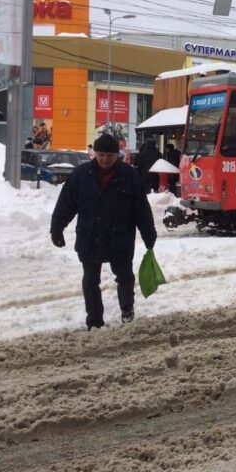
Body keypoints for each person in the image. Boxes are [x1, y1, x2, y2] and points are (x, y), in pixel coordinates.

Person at [50, 133, 157, 331]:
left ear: (117, 155)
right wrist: (57, 227)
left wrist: (148, 233)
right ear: (94, 154)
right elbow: (66, 204)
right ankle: (94, 319)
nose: (105, 159)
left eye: (109, 155)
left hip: (120, 236)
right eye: (101, 155)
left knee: (125, 277)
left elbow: (141, 208)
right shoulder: (81, 175)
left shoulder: (129, 176)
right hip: (90, 236)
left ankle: (127, 309)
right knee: (90, 279)